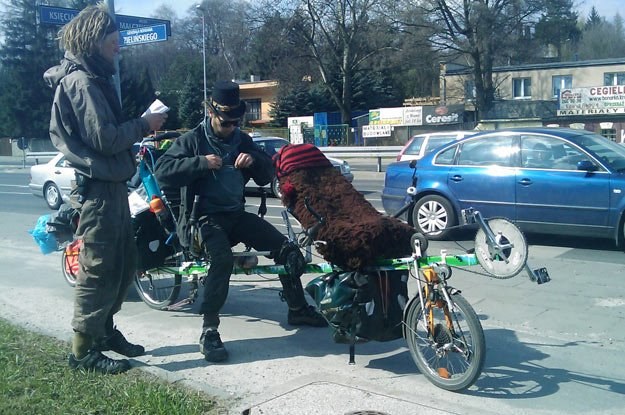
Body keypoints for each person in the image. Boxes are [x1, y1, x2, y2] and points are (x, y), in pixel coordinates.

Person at [154, 80, 326, 363]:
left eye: (236, 123)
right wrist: (201, 163)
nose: (231, 128)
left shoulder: (242, 140)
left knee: (287, 249)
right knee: (221, 260)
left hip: (236, 215)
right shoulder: (192, 141)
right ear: (211, 114)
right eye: (226, 123)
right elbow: (163, 171)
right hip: (203, 218)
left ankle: (297, 308)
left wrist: (255, 160)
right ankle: (209, 330)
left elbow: (266, 173)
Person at [43, 4, 167, 374]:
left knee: (124, 265)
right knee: (97, 269)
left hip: (111, 188)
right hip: (97, 191)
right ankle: (81, 352)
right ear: (95, 40)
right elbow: (104, 138)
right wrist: (144, 124)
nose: (119, 49)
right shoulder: (81, 82)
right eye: (114, 43)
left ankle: (104, 331)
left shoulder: (93, 78)